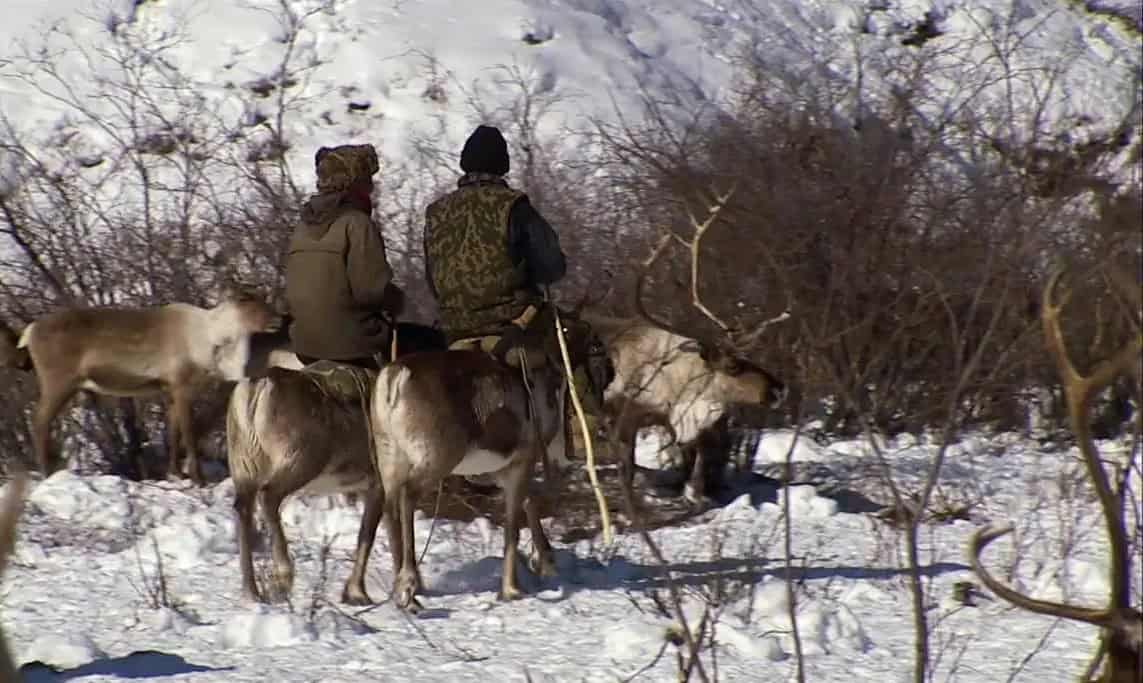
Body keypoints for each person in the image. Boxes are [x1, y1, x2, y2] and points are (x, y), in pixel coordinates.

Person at [422, 124, 567, 365]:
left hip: (452, 329)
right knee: (577, 350)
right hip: (513, 326)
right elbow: (553, 266)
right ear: (503, 165)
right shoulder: (513, 205)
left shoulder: (435, 212)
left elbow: (433, 280)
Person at [284, 143, 404, 371]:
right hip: (351, 346)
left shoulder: (301, 226)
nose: (371, 188)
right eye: (368, 182)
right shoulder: (358, 224)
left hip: (304, 344)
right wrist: (395, 298)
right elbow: (370, 290)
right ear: (356, 183)